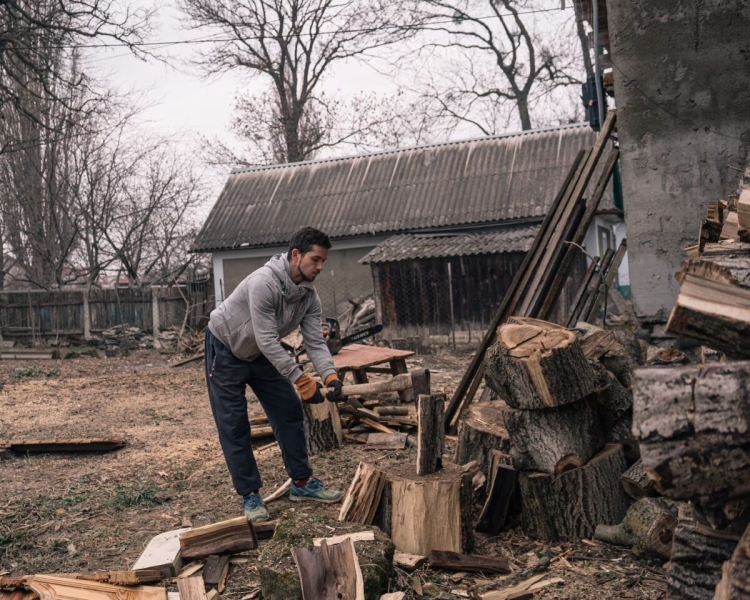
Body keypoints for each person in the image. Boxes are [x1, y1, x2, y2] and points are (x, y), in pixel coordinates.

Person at [204, 227, 345, 523]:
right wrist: (301, 379)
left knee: (288, 409)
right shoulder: (263, 283)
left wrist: (330, 375)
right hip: (226, 346)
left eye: (323, 262)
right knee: (234, 423)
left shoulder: (308, 295)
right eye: (315, 260)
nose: (320, 267)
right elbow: (267, 338)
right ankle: (250, 495)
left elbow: (315, 341)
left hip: (259, 352)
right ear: (296, 255)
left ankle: (302, 482)